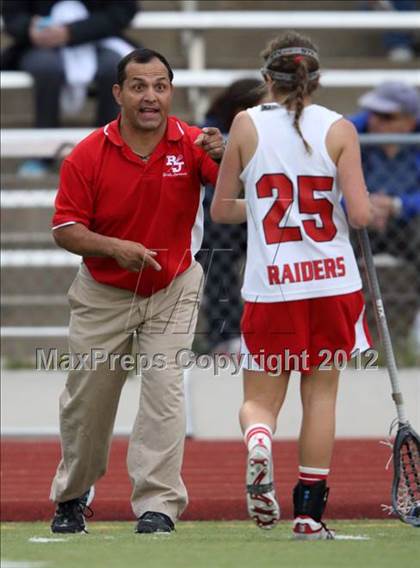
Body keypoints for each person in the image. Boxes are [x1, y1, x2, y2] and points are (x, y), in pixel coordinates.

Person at [49, 47, 224, 534]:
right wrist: (116, 248)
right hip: (104, 291)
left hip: (173, 285)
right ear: (118, 94)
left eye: (160, 86)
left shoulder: (193, 144)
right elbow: (64, 228)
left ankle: (158, 506)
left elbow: (234, 194)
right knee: (87, 401)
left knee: (165, 393)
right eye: (139, 86)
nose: (151, 96)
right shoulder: (87, 153)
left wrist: (229, 154)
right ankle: (72, 494)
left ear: (171, 92)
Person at [211, 32, 372, 539]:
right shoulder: (340, 128)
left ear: (267, 80)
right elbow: (362, 214)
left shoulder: (244, 123)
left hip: (271, 286)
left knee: (260, 400)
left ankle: (259, 438)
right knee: (321, 397)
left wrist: (259, 210)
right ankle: (309, 514)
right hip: (332, 283)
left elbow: (221, 210)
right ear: (317, 80)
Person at [1, 0, 138, 176]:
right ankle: (42, 152)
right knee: (46, 68)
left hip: (99, 38)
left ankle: (106, 151)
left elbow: (123, 11)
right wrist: (30, 28)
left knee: (114, 69)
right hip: (39, 45)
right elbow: (12, 16)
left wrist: (72, 32)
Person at [349, 82, 420, 347]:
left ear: (409, 122)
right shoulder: (349, 131)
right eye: (372, 113)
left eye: (387, 116)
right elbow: (327, 184)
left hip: (407, 222)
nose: (375, 121)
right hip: (357, 219)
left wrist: (397, 204)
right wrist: (361, 203)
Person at [199, 78, 264, 354]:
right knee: (218, 251)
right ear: (241, 110)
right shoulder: (208, 135)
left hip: (264, 216)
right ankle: (225, 336)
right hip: (221, 221)